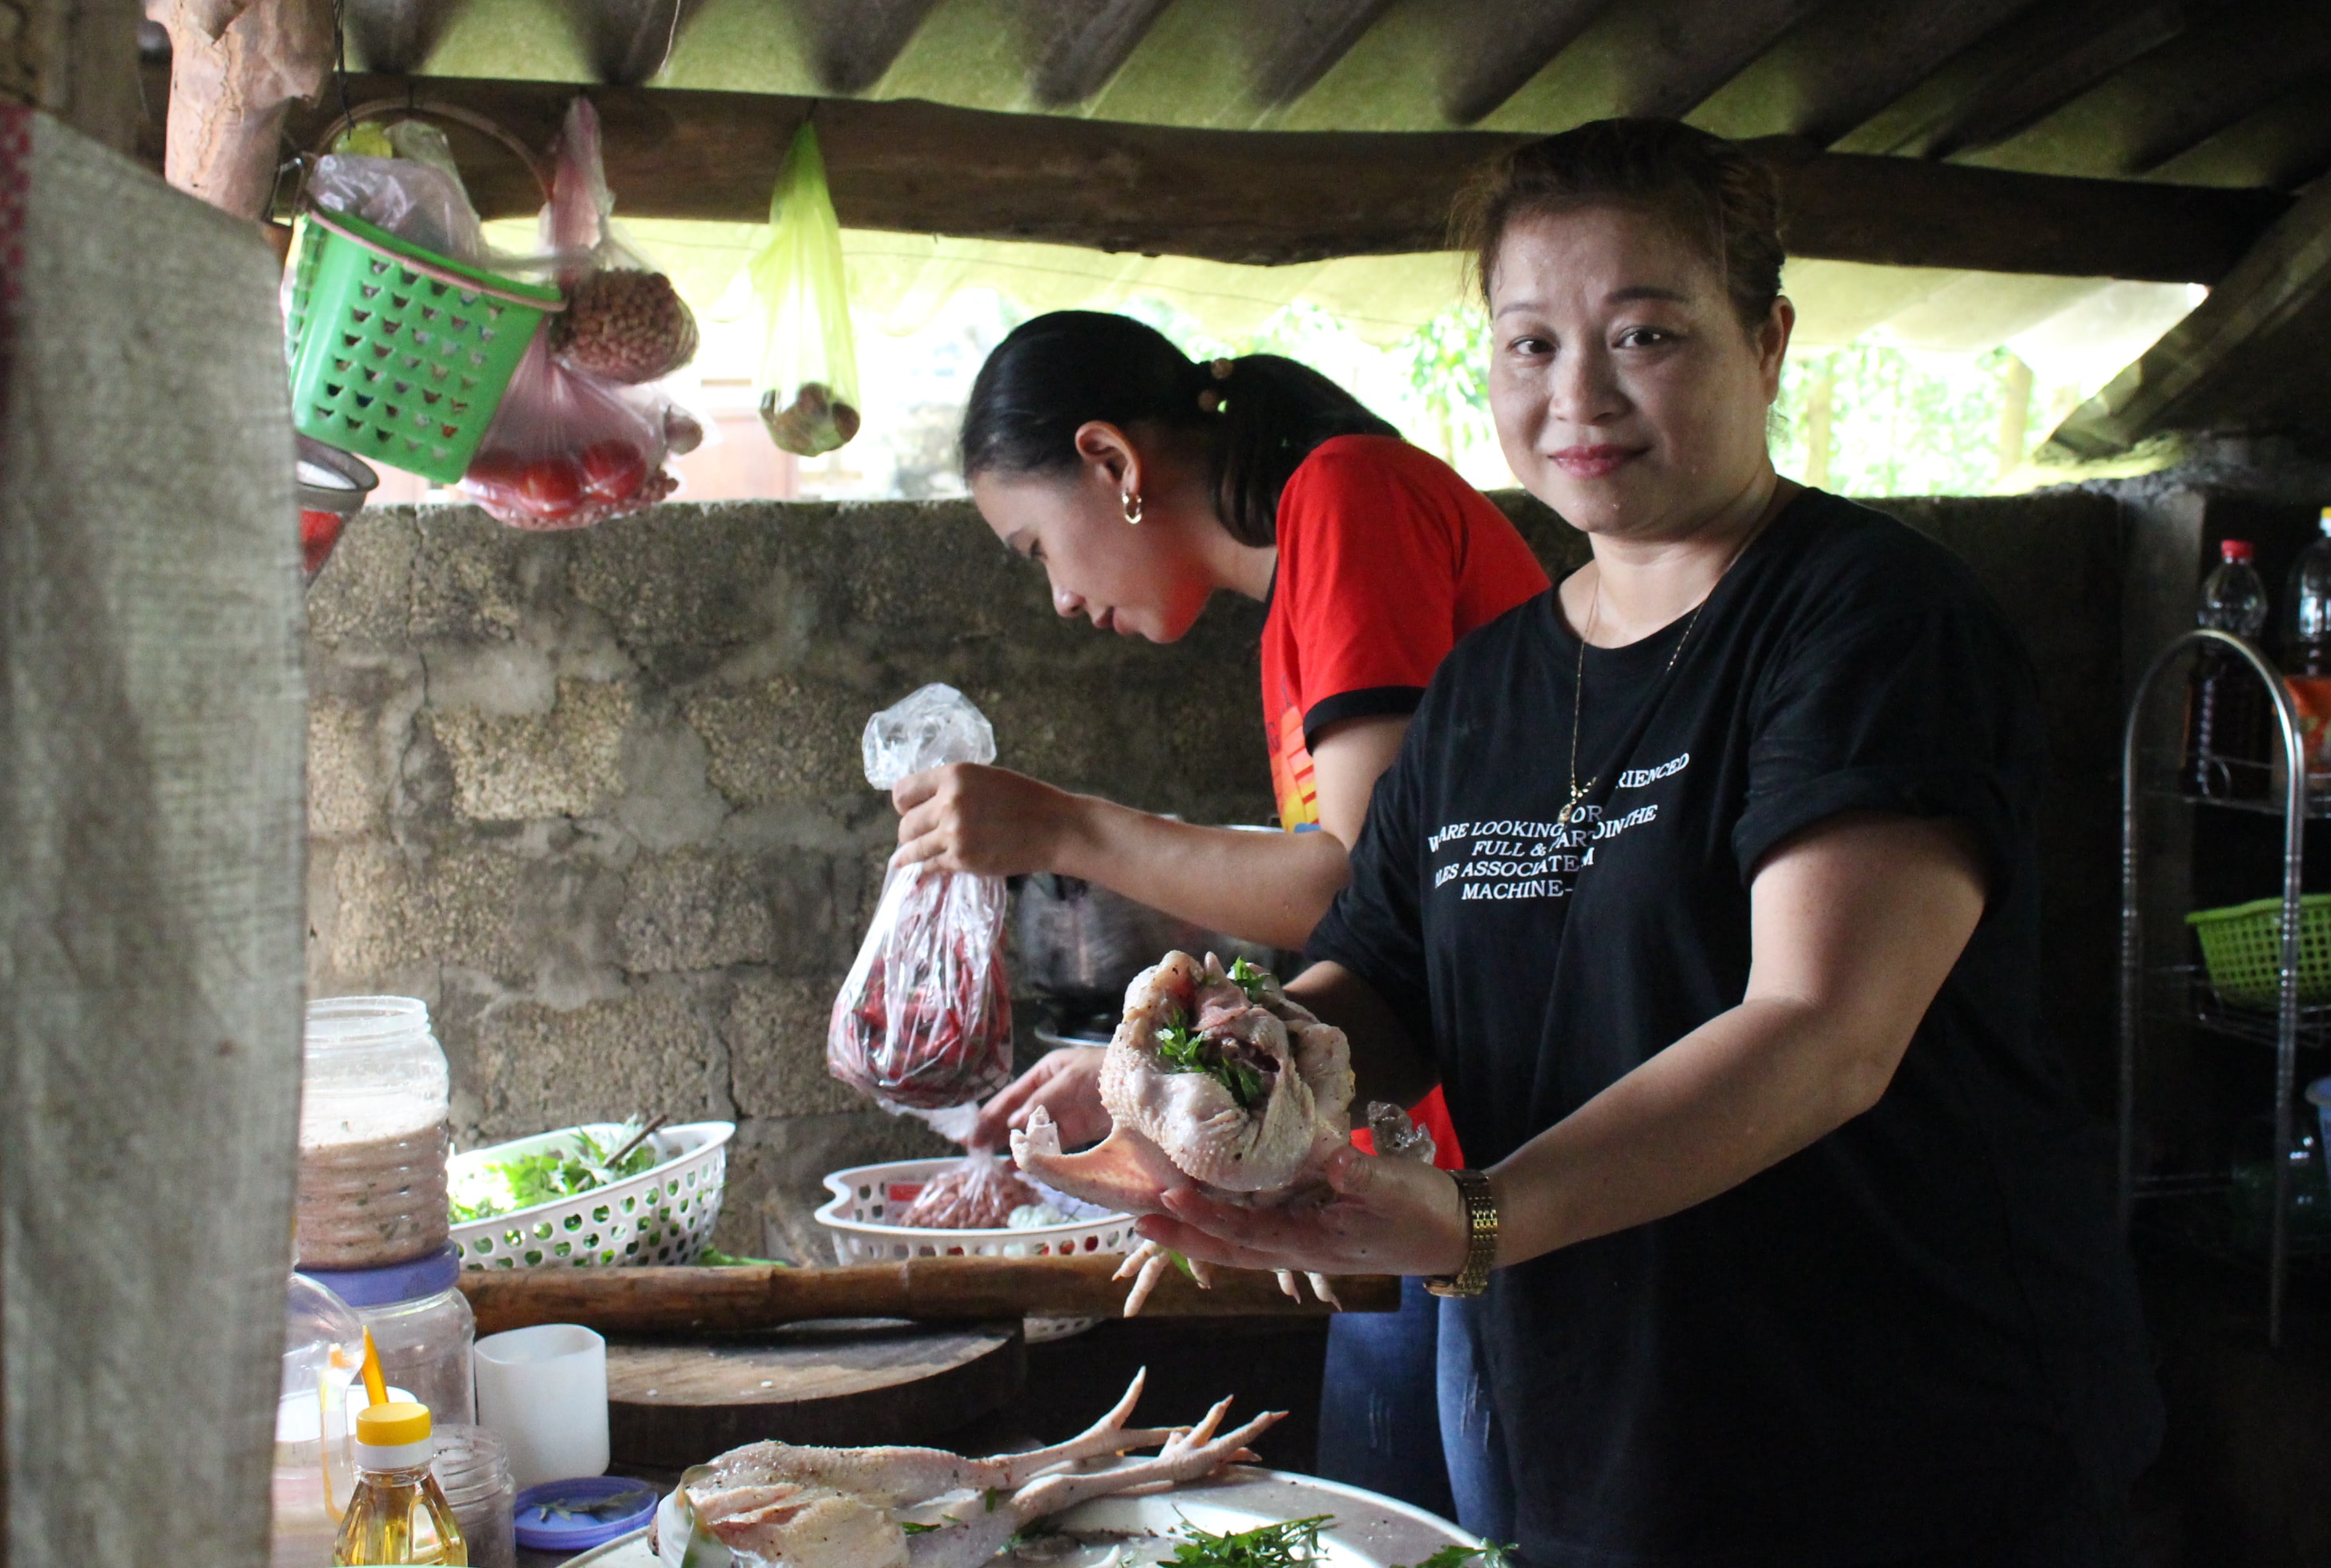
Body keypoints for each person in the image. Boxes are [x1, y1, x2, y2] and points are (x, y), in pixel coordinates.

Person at [1131, 120, 2164, 1567]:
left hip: (1904, 1441)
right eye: (1529, 345)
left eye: (1646, 334)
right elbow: (1384, 990)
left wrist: (1475, 1221)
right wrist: (1209, 1079)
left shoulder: (1872, 624)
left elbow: (1822, 1029)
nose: (1579, 397)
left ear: (1769, 339)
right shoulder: (1490, 685)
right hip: (1598, 1428)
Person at [893, 308, 1552, 1516]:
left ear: (1111, 462)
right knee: (1385, 1506)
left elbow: (1348, 883)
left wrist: (1062, 828)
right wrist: (1155, 1082)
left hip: (1517, 1165)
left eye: (1036, 544)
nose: (1058, 596)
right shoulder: (1299, 585)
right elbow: (1372, 926)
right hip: (1423, 1155)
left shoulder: (1352, 498)